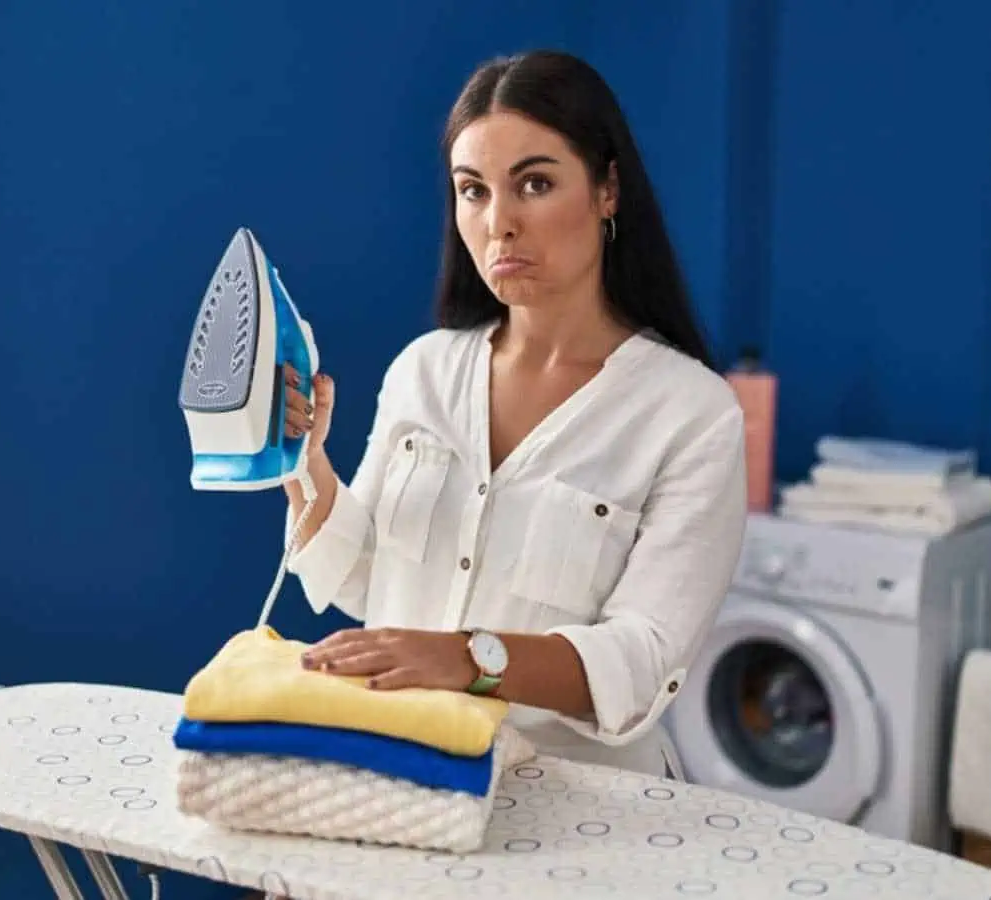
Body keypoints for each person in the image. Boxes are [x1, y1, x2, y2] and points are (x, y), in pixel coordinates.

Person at [277, 49, 747, 778]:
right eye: (473, 190)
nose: (500, 223)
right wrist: (302, 466)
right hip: (403, 782)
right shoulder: (423, 371)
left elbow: (643, 658)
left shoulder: (690, 414)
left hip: (584, 813)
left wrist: (468, 658)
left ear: (607, 188)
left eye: (534, 183)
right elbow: (365, 578)